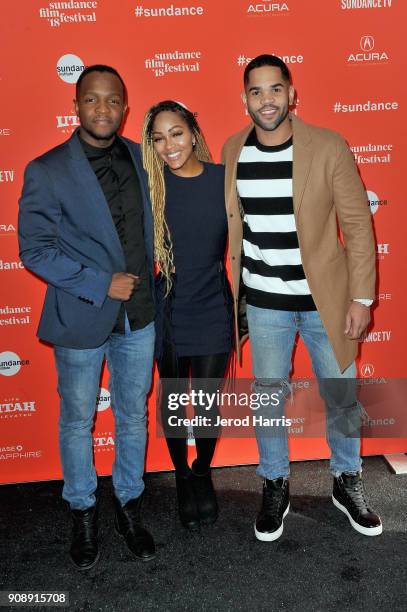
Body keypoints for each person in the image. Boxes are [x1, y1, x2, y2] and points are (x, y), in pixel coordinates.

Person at [222, 54, 382, 541]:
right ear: (244, 98)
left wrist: (361, 298)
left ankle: (346, 479)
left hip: (326, 301)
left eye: (275, 89)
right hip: (265, 301)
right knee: (268, 396)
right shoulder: (232, 150)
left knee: (342, 395)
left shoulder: (328, 146)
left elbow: (356, 225)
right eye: (256, 91)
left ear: (292, 94)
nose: (266, 100)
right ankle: (274, 482)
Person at [18, 65, 156, 569]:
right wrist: (101, 283)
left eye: (113, 100)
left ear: (125, 105)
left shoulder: (145, 160)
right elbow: (34, 249)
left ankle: (129, 504)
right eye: (92, 100)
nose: (103, 109)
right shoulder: (48, 168)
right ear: (76, 106)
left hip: (140, 317)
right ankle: (82, 509)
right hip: (81, 316)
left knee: (133, 416)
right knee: (78, 420)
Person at [141, 100, 233, 530]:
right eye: (158, 138)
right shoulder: (151, 186)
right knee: (175, 401)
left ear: (193, 132)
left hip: (214, 301)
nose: (168, 145)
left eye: (176, 133)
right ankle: (181, 477)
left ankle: (202, 472)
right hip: (172, 305)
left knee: (210, 404)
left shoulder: (223, 179)